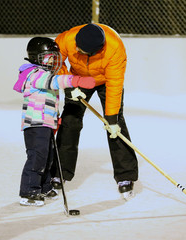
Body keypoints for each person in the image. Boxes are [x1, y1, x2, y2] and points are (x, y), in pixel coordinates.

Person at [50, 23, 138, 199]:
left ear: (95, 51)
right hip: (79, 79)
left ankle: (125, 176)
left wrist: (111, 119)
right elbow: (56, 59)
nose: (75, 49)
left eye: (80, 50)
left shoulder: (114, 49)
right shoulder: (69, 37)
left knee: (115, 125)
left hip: (105, 81)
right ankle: (60, 172)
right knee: (70, 121)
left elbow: (114, 85)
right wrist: (68, 85)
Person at [14, 37, 95, 206]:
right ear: (37, 57)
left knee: (48, 157)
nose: (53, 60)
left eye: (53, 56)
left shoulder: (44, 73)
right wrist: (75, 80)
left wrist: (54, 120)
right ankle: (29, 191)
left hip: (45, 123)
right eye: (49, 56)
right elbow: (53, 82)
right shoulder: (35, 74)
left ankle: (44, 186)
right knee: (37, 157)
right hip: (35, 124)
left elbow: (48, 101)